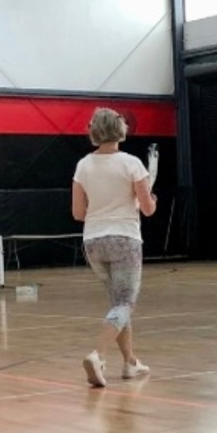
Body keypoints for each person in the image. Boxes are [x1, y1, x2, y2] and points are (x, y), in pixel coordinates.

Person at [71, 107, 156, 388]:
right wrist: (148, 198)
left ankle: (130, 363)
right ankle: (98, 355)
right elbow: (148, 208)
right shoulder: (131, 164)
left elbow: (78, 213)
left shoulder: (83, 165)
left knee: (117, 305)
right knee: (124, 303)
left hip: (93, 240)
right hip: (124, 238)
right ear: (119, 129)